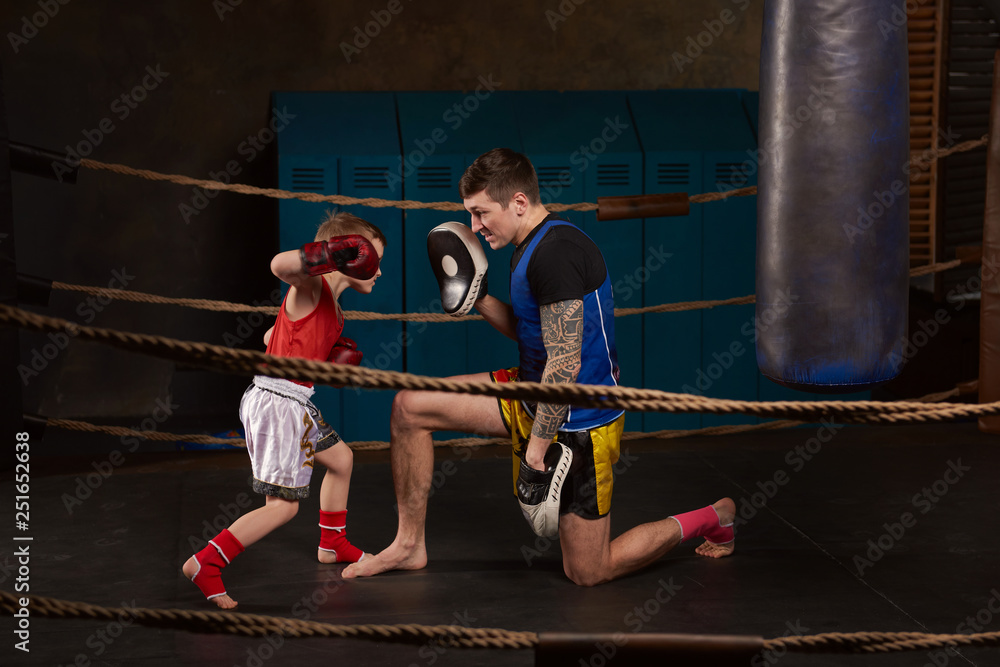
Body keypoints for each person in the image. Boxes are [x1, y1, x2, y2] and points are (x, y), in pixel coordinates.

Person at [343, 148, 734, 586]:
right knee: (410, 408)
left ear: (519, 203)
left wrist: (535, 451)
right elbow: (533, 331)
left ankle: (712, 516)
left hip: (580, 419)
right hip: (531, 391)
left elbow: (564, 365)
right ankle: (409, 544)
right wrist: (476, 297)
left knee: (588, 571)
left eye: (480, 212)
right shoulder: (528, 243)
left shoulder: (556, 253)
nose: (474, 226)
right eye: (468, 214)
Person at [183, 211, 386, 608]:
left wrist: (321, 353)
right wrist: (332, 254)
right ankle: (206, 562)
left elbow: (271, 334)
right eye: (373, 260)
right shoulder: (311, 287)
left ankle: (333, 543)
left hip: (295, 401)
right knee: (282, 507)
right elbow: (279, 265)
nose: (378, 271)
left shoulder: (331, 307)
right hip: (278, 403)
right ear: (350, 255)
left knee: (341, 459)